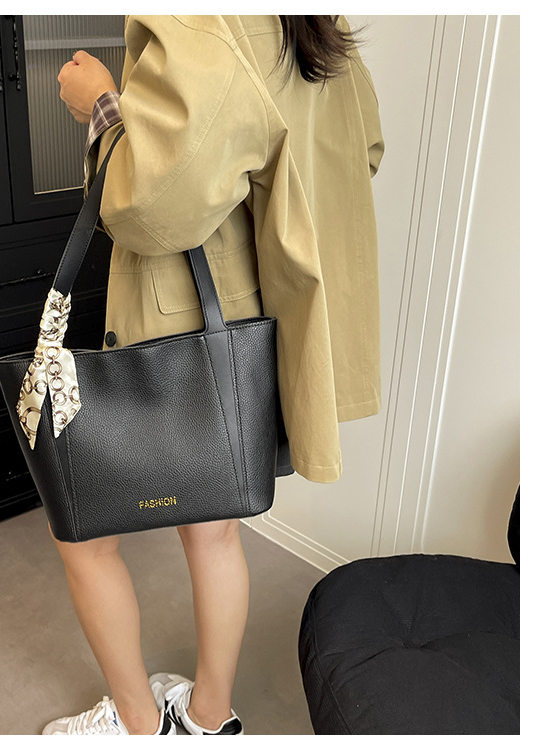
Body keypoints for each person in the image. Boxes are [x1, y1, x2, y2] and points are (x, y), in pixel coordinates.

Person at [43, 15, 384, 735]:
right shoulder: (315, 21)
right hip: (244, 318)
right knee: (214, 529)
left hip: (178, 324)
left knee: (83, 535)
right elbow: (364, 149)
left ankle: (140, 725)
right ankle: (209, 717)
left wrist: (100, 105)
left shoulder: (197, 18)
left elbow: (144, 206)